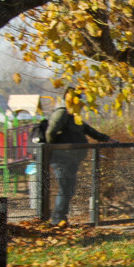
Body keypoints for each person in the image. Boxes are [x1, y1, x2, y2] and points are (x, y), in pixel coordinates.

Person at [45, 86, 111, 226]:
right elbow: (50, 132)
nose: (80, 101)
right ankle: (57, 219)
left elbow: (87, 129)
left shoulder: (74, 116)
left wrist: (106, 138)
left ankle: (61, 217)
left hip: (72, 159)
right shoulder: (62, 113)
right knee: (65, 187)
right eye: (77, 98)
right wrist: (54, 149)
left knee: (69, 187)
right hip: (61, 158)